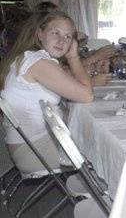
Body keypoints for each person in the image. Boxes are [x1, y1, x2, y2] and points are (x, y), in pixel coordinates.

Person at [0, 11, 94, 174]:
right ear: (40, 34)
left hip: (25, 144)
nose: (61, 40)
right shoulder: (38, 62)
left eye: (68, 37)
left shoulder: (27, 57)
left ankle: (86, 190)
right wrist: (73, 58)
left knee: (93, 133)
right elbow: (87, 95)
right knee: (105, 148)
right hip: (35, 152)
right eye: (55, 32)